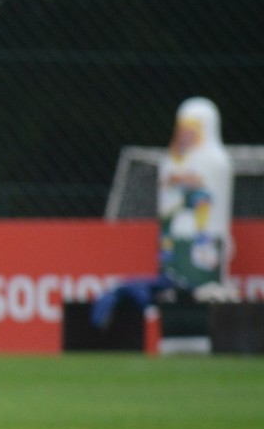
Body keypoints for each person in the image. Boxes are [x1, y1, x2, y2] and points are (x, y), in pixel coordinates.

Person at [92, 97, 236, 327]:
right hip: (174, 238)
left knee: (201, 203)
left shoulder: (215, 161)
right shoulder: (173, 160)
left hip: (199, 237)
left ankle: (200, 246)